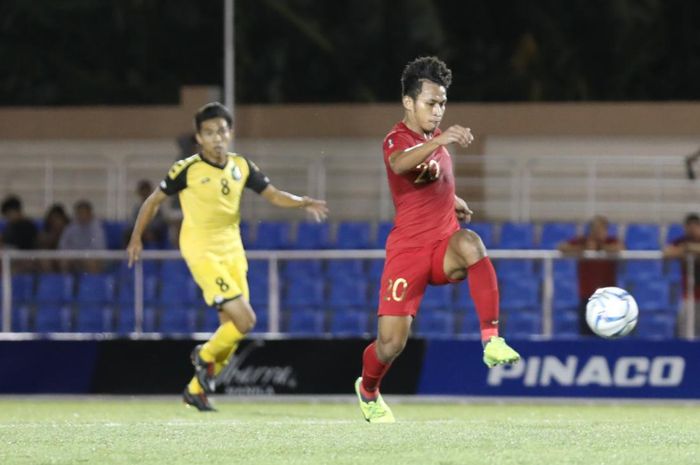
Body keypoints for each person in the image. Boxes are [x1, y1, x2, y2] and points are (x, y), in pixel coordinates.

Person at [127, 102, 328, 412]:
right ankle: (203, 356)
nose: (217, 138)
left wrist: (302, 202)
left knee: (232, 332)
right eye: (209, 133)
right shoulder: (187, 169)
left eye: (222, 131)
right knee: (246, 319)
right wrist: (136, 237)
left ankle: (195, 391)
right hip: (201, 249)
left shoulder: (241, 166)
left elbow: (272, 194)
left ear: (230, 133)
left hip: (233, 250)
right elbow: (153, 202)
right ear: (199, 138)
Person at [354, 57, 520, 423]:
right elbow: (400, 165)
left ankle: (491, 338)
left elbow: (434, 181)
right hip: (408, 251)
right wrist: (442, 139)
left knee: (472, 244)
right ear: (408, 102)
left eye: (443, 103)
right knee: (391, 344)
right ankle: (368, 390)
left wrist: (454, 200)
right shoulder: (397, 138)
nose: (438, 111)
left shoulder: (437, 145)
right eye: (431, 103)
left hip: (443, 245)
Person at [558, 215, 623, 335]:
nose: (599, 232)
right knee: (586, 334)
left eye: (602, 229)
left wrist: (600, 248)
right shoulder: (582, 241)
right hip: (587, 298)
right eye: (596, 229)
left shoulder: (611, 241)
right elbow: (562, 247)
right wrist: (584, 249)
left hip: (607, 299)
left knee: (607, 334)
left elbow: (620, 248)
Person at [663, 213, 700, 337]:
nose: (692, 230)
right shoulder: (682, 241)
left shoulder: (688, 244)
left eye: (695, 227)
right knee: (686, 332)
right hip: (689, 296)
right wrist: (685, 249)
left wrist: (692, 248)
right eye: (688, 227)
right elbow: (667, 252)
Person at [58, 200, 107, 274]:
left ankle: (93, 283)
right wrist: (73, 255)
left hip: (91, 259)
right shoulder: (71, 227)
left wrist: (83, 257)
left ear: (90, 213)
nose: (81, 216)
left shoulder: (97, 228)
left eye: (84, 213)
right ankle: (66, 283)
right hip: (74, 257)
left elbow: (99, 249)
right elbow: (62, 245)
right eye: (79, 213)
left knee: (92, 263)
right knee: (63, 261)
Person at [1, 195, 38, 272]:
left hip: (24, 259)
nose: (7, 218)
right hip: (10, 257)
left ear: (14, 211)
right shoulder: (9, 226)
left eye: (8, 214)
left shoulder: (28, 225)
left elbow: (27, 247)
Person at [37, 203, 70, 272]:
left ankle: (66, 281)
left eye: (57, 219)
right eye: (52, 220)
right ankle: (50, 281)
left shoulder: (71, 232)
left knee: (64, 260)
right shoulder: (45, 234)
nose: (55, 222)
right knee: (44, 257)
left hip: (68, 260)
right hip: (51, 261)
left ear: (63, 219)